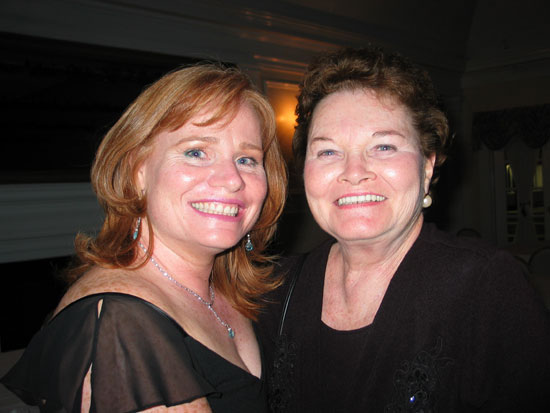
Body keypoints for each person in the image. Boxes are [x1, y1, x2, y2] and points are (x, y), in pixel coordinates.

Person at [257, 47, 550, 412]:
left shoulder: (486, 286)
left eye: (383, 146)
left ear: (427, 167)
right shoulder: (276, 288)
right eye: (328, 152)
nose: (354, 172)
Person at [2, 63, 287, 412]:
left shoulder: (228, 290)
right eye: (196, 152)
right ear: (138, 171)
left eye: (247, 159)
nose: (232, 179)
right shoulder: (118, 326)